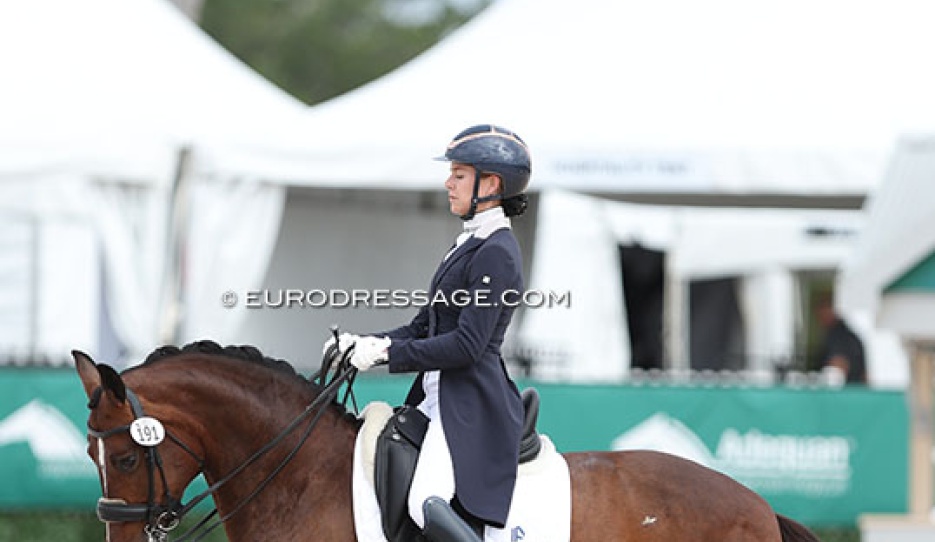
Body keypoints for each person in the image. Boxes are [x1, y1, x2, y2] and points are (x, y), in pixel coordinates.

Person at [326, 124, 530, 542]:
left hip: (471, 402)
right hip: (435, 398)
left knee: (425, 501)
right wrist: (363, 343)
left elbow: (468, 346)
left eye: (458, 174)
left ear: (490, 183)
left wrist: (387, 355)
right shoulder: (467, 245)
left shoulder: (496, 251)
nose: (448, 183)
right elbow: (424, 327)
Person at [815, 292, 868, 385]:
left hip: (845, 393)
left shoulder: (839, 336)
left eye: (823, 310)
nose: (820, 317)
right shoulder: (847, 335)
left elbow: (838, 367)